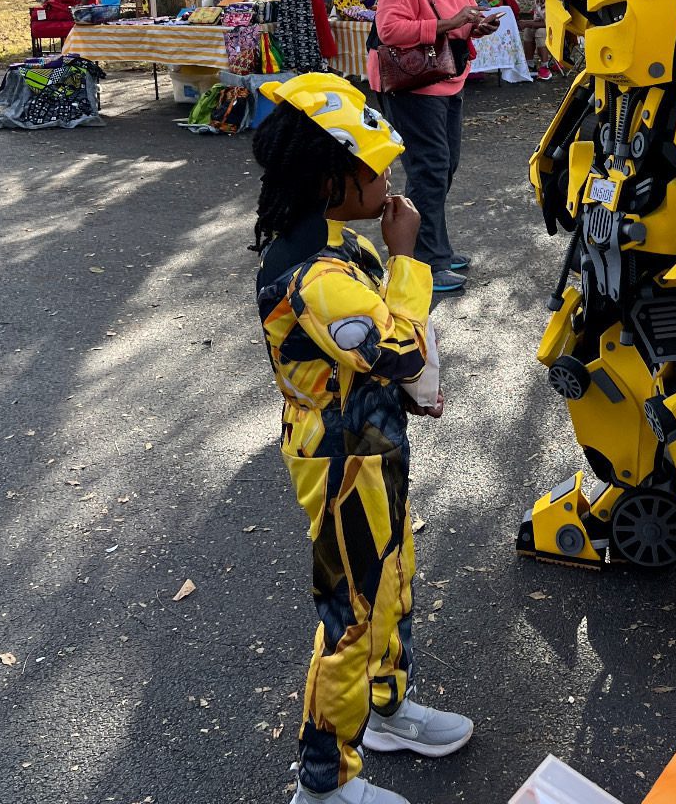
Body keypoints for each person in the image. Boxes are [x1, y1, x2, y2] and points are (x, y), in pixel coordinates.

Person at [252, 73, 471, 804]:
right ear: (327, 180)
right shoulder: (316, 278)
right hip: (341, 463)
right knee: (349, 616)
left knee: (394, 579)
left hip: (372, 449)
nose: (387, 182)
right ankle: (324, 781)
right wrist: (409, 256)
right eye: (373, 170)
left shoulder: (336, 243)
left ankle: (386, 710)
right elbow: (400, 347)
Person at [367, 0, 501, 297]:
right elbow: (390, 30)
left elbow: (457, 18)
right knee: (430, 167)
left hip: (447, 76)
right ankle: (427, 260)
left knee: (444, 165)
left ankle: (429, 246)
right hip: (412, 84)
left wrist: (473, 28)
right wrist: (447, 23)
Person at [518, 0, 554, 80]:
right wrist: (528, 24)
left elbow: (549, 23)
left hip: (556, 29)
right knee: (528, 31)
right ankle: (530, 65)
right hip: (545, 26)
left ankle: (545, 67)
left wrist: (527, 23)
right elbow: (537, 19)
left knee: (540, 32)